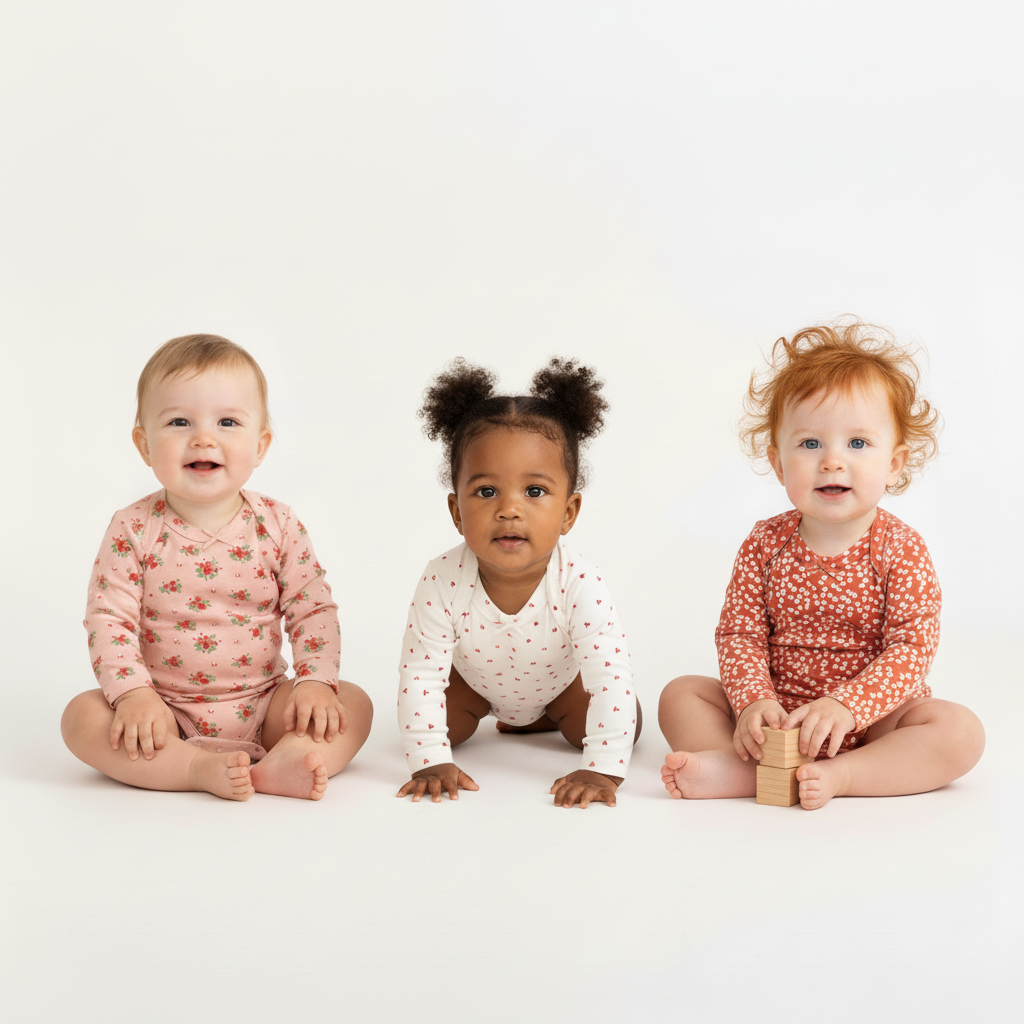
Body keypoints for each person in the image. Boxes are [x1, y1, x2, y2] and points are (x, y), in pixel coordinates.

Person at [659, 320, 983, 809]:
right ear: (778, 463)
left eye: (858, 443)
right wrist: (753, 701)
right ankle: (746, 765)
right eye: (810, 444)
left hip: (872, 722)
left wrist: (848, 706)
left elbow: (911, 647)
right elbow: (740, 634)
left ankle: (843, 773)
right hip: (776, 715)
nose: (832, 460)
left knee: (960, 731)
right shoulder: (765, 543)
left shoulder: (900, 548)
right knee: (681, 694)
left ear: (894, 463)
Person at [61, 334, 372, 800]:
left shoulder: (278, 524)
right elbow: (109, 619)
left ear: (260, 446)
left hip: (267, 705)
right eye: (179, 422)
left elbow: (312, 610)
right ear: (144, 446)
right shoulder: (133, 527)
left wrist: (313, 682)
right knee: (80, 718)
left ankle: (286, 759)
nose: (203, 438)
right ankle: (193, 768)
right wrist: (132, 695)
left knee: (353, 703)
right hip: (162, 713)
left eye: (227, 422)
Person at [396, 358, 640, 808]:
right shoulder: (441, 578)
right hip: (474, 688)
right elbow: (421, 673)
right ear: (456, 512)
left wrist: (602, 769)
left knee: (623, 722)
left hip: (562, 688)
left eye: (534, 491)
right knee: (437, 723)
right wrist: (429, 760)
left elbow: (609, 673)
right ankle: (507, 718)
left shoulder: (579, 581)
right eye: (487, 491)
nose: (509, 509)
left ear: (568, 512)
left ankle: (543, 718)